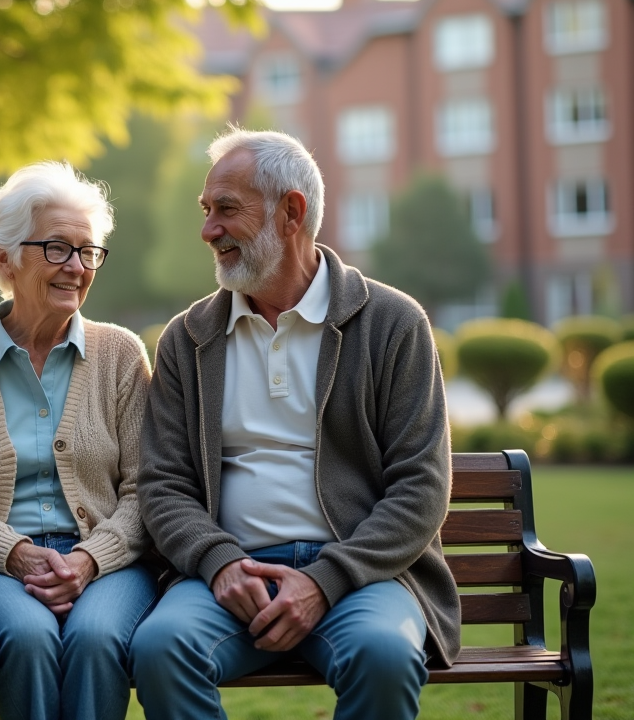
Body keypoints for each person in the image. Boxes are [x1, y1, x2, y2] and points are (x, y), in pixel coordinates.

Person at [129, 127, 460, 720]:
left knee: (384, 656)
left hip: (362, 578)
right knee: (161, 647)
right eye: (206, 211)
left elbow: (421, 486)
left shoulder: (392, 323)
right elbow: (164, 482)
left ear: (292, 211)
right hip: (229, 579)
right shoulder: (188, 338)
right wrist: (220, 562)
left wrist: (326, 579)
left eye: (226, 209)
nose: (208, 230)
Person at [0, 162, 156, 720]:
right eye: (56, 249)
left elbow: (146, 491)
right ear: (4, 257)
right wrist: (18, 554)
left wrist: (89, 560)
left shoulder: (121, 354)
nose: (76, 267)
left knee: (97, 638)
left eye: (88, 251)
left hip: (108, 563)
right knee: (27, 637)